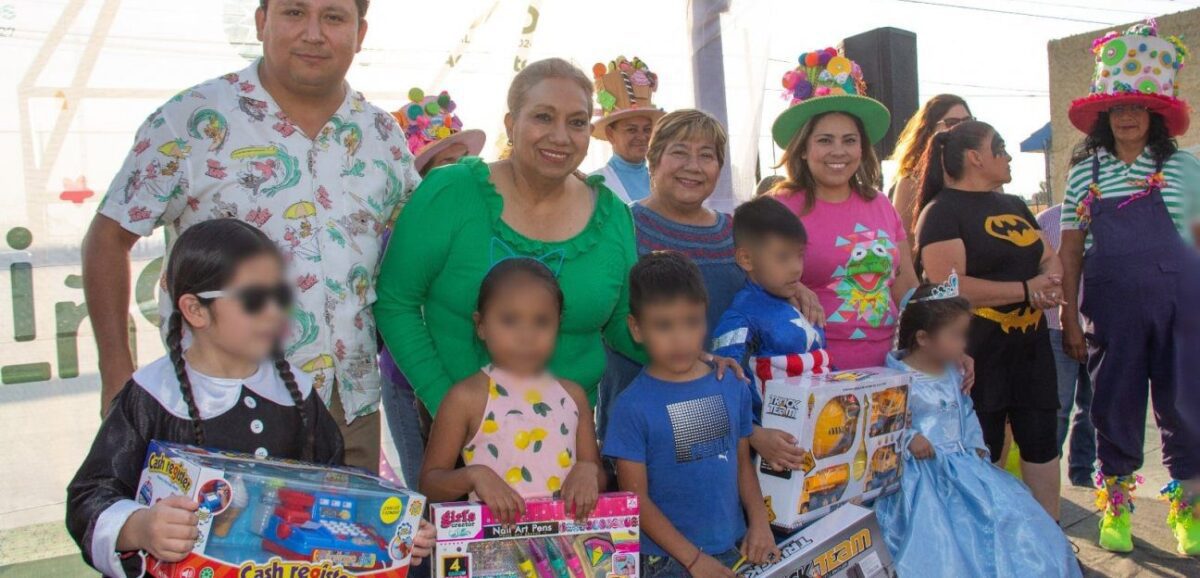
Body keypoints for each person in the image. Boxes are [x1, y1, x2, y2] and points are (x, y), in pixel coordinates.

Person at [81, 0, 418, 472]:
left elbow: (417, 253)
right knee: (219, 545)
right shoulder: (193, 121)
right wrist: (115, 369)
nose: (314, 33)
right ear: (262, 22)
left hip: (347, 412)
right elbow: (108, 236)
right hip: (217, 408)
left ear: (360, 33)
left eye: (335, 17)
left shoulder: (381, 134)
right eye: (294, 13)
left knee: (347, 546)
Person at [65, 220, 435, 578]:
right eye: (255, 299)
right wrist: (139, 527)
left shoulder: (298, 394)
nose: (275, 311)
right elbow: (89, 497)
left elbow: (334, 496)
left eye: (282, 295)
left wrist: (391, 532)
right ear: (195, 310)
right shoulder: (153, 396)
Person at [1058, 21, 1200, 554]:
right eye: (1118, 107)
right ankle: (1115, 510)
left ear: (1156, 114)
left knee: (1185, 411)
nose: (1128, 115)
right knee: (1112, 410)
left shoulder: (1184, 167)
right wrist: (1070, 318)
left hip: (1182, 309)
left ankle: (1187, 512)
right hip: (1112, 312)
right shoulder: (1083, 174)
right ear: (1104, 116)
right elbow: (1071, 251)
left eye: (1138, 107)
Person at [874, 279, 1081, 578]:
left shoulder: (952, 372)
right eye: (956, 336)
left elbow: (966, 411)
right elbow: (887, 421)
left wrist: (976, 444)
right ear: (923, 338)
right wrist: (909, 437)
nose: (963, 345)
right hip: (921, 476)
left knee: (999, 519)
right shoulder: (897, 377)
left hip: (964, 465)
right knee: (939, 536)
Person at [914, 120, 1064, 520]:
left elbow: (1047, 253)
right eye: (999, 147)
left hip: (1031, 349)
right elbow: (950, 285)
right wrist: (1027, 289)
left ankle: (1053, 545)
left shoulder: (1015, 204)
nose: (1008, 155)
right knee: (984, 450)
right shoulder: (941, 213)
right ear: (976, 157)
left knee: (1042, 443)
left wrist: (1049, 280)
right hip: (976, 355)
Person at [603, 252, 779, 577]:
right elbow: (635, 498)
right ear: (636, 328)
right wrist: (694, 561)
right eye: (664, 325)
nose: (680, 338)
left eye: (691, 321)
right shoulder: (631, 407)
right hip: (665, 560)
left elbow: (742, 464)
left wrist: (760, 524)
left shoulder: (731, 384)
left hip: (734, 547)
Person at [595, 109, 747, 441]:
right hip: (641, 413)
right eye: (679, 152)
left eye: (706, 155)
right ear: (653, 160)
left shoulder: (736, 234)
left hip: (720, 403)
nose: (693, 166)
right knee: (649, 490)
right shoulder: (621, 226)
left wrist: (796, 291)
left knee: (705, 484)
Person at [419, 259, 604, 523]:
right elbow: (429, 484)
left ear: (558, 325)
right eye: (509, 320)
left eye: (541, 321)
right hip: (493, 555)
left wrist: (589, 470)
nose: (526, 335)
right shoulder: (466, 398)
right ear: (481, 325)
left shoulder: (573, 396)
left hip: (569, 555)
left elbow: (598, 476)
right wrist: (475, 475)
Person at [770, 48, 918, 370]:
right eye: (825, 140)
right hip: (813, 372)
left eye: (849, 140)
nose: (839, 151)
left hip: (889, 370)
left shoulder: (881, 204)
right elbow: (757, 286)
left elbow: (906, 288)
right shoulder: (778, 208)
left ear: (862, 149)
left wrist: (939, 337)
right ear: (804, 149)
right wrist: (794, 287)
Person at [379, 88, 486, 489]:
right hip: (411, 382)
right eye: (448, 164)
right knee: (426, 493)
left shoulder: (479, 224)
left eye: (465, 160)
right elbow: (398, 306)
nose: (461, 171)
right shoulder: (404, 232)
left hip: (469, 379)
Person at [712, 197, 830, 474]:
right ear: (746, 259)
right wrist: (753, 434)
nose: (796, 268)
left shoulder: (802, 302)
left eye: (800, 254)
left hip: (821, 443)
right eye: (783, 257)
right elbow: (720, 384)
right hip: (769, 457)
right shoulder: (740, 318)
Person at [1035, 203, 1096, 488]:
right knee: (1057, 409)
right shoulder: (1048, 220)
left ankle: (1083, 476)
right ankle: (1047, 478)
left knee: (1093, 410)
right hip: (1056, 328)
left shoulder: (1111, 212)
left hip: (1099, 326)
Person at [888, 94, 974, 238]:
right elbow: (905, 244)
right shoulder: (911, 182)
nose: (961, 128)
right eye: (951, 122)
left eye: (967, 122)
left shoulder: (985, 175)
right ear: (930, 130)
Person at [588, 56, 666, 204]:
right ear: (611, 134)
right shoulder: (595, 185)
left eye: (647, 129)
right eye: (632, 130)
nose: (642, 137)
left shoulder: (665, 182)